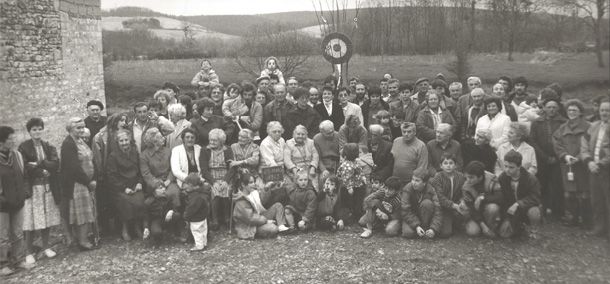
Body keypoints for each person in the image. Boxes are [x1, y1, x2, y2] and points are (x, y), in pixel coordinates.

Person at [18, 118, 60, 266]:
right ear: (29, 131)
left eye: (39, 129)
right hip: (32, 188)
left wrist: (39, 164)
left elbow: (55, 164)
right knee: (30, 221)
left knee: (46, 218)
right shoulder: (23, 147)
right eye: (34, 129)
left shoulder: (48, 146)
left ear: (43, 130)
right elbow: (25, 167)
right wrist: (42, 169)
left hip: (48, 187)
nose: (37, 132)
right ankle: (28, 251)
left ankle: (46, 247)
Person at [140, 128, 182, 244]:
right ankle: (158, 226)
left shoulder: (168, 151)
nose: (163, 138)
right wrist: (157, 185)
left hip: (169, 181)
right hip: (153, 184)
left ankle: (176, 226)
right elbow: (146, 174)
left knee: (174, 193)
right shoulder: (144, 155)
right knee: (156, 197)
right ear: (153, 141)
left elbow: (173, 168)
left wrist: (168, 181)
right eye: (160, 137)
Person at [59, 118, 97, 250]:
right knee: (81, 213)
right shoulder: (68, 144)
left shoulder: (80, 141)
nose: (81, 130)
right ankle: (82, 241)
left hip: (84, 182)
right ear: (70, 129)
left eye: (82, 127)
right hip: (77, 183)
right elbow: (73, 167)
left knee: (86, 212)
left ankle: (83, 238)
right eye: (78, 128)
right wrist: (88, 182)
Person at [553, 99, 591, 227]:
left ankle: (586, 219)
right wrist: (565, 155)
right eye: (569, 110)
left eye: (575, 110)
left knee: (584, 193)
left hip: (583, 165)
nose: (571, 112)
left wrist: (580, 157)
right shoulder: (562, 128)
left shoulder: (588, 127)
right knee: (569, 193)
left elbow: (591, 144)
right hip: (567, 165)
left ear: (580, 112)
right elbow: (557, 143)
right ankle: (573, 218)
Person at [91, 113, 129, 234]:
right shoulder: (100, 137)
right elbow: (98, 158)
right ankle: (106, 228)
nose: (124, 123)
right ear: (114, 121)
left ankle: (121, 226)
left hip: (122, 171)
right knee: (106, 201)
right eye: (121, 120)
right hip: (107, 173)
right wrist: (102, 174)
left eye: (125, 120)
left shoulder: (123, 134)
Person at [530, 96, 566, 219]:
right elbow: (533, 142)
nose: (551, 109)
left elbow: (564, 142)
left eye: (554, 107)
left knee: (558, 185)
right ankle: (543, 209)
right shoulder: (537, 122)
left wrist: (557, 157)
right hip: (542, 159)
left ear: (558, 108)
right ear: (544, 108)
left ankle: (558, 212)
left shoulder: (563, 122)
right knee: (542, 184)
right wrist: (545, 157)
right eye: (549, 107)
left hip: (558, 159)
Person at [106, 129, 146, 241]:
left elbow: (140, 171)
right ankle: (125, 228)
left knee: (140, 199)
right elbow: (112, 176)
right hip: (121, 187)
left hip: (135, 185)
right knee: (125, 201)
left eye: (126, 140)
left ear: (130, 140)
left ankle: (138, 227)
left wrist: (139, 183)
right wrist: (124, 188)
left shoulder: (135, 152)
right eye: (121, 141)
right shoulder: (113, 156)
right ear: (117, 142)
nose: (124, 143)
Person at [580, 99, 610, 239]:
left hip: (606, 170)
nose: (605, 113)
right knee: (596, 200)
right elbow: (584, 143)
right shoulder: (594, 126)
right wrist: (589, 161)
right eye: (602, 110)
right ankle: (599, 228)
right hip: (593, 169)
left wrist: (602, 163)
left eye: (608, 110)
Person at [496, 151, 542, 239]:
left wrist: (518, 204)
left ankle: (534, 230)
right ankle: (520, 227)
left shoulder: (530, 179)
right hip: (511, 211)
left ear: (519, 167)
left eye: (511, 167)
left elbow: (535, 198)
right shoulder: (503, 178)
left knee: (534, 211)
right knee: (504, 234)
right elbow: (502, 198)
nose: (507, 170)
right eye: (505, 166)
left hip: (526, 208)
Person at [0, 126, 27, 275]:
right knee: (2, 236)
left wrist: (23, 193)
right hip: (2, 205)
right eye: (11, 138)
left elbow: (22, 175)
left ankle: (18, 260)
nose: (14, 140)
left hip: (18, 201)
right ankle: (2, 264)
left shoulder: (17, 155)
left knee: (17, 233)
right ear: (1, 142)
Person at [233, 173, 289, 239]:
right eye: (251, 182)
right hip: (250, 227)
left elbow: (262, 201)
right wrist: (266, 221)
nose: (253, 184)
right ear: (243, 185)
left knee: (278, 205)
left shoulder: (252, 192)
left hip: (259, 218)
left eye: (254, 182)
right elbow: (250, 218)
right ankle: (268, 229)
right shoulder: (241, 200)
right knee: (273, 228)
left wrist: (266, 188)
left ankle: (281, 226)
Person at [200, 129, 235, 230]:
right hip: (211, 176)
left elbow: (232, 168)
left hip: (225, 176)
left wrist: (225, 181)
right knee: (215, 190)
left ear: (221, 141)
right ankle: (215, 220)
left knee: (226, 189)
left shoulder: (228, 149)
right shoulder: (204, 150)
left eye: (214, 141)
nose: (211, 142)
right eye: (210, 140)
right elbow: (204, 170)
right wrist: (214, 182)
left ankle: (227, 218)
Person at [461, 161, 503, 238]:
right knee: (473, 232)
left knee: (493, 207)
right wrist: (483, 225)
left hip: (488, 210)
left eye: (471, 177)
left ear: (480, 177)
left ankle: (491, 228)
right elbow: (471, 209)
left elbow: (500, 197)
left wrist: (482, 198)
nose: (468, 180)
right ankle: (482, 227)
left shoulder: (492, 179)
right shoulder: (466, 187)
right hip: (476, 212)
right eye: (467, 177)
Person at [430, 154, 467, 238]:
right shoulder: (438, 177)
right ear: (441, 166)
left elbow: (464, 191)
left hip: (457, 204)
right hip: (443, 207)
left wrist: (462, 201)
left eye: (451, 163)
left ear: (455, 165)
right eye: (445, 163)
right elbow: (440, 197)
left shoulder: (460, 176)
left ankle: (457, 223)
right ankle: (447, 223)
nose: (448, 166)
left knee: (465, 212)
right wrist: (454, 206)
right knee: (445, 233)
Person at [400, 168, 442, 239]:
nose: (413, 182)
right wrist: (416, 226)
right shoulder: (407, 188)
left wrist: (433, 228)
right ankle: (419, 229)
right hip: (411, 216)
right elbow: (405, 210)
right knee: (408, 233)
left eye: (417, 180)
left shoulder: (431, 190)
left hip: (426, 216)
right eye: (412, 179)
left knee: (427, 203)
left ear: (424, 183)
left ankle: (426, 229)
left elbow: (438, 210)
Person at [336, 143, 367, 220]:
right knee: (348, 202)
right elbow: (346, 177)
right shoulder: (347, 165)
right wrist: (349, 188)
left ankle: (357, 213)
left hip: (357, 184)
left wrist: (363, 177)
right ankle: (349, 216)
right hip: (348, 187)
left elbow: (359, 169)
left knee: (357, 200)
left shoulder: (355, 161)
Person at [284, 125, 320, 190]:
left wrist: (313, 168)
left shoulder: (311, 142)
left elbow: (315, 156)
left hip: (309, 169)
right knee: (299, 186)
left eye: (303, 134)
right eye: (298, 134)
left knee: (314, 188)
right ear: (293, 134)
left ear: (306, 135)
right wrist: (294, 170)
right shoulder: (288, 143)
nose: (300, 136)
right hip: (296, 169)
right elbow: (287, 160)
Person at [182, 173, 210, 252]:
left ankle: (199, 246)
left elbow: (191, 209)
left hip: (196, 219)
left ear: (192, 185)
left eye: (187, 184)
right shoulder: (203, 193)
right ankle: (204, 243)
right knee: (204, 230)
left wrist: (185, 216)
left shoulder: (195, 197)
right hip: (203, 217)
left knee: (196, 232)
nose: (185, 187)